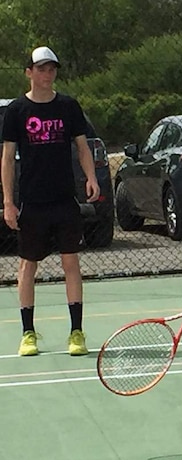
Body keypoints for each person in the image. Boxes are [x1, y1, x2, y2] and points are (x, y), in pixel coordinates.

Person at [1, 46, 99, 357]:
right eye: (41, 68)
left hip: (63, 199)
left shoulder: (68, 107)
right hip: (32, 202)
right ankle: (28, 333)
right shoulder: (16, 111)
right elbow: (6, 160)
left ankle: (76, 332)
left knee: (71, 262)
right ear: (29, 72)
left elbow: (82, 148)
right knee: (28, 265)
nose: (47, 74)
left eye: (52, 68)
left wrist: (92, 177)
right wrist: (8, 201)